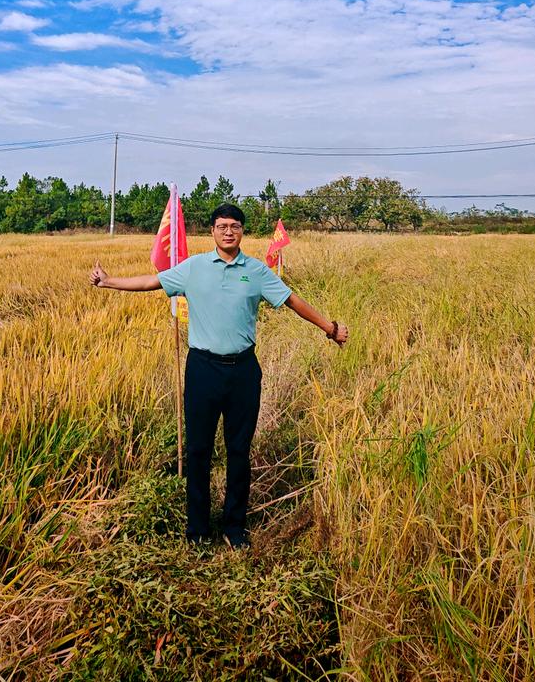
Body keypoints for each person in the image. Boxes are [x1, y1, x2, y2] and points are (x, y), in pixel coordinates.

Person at [89, 202, 348, 548]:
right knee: (198, 449)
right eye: (222, 226)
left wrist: (329, 328)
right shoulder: (193, 268)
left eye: (235, 226)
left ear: (242, 231)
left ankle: (234, 528)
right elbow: (152, 281)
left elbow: (292, 301)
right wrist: (108, 281)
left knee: (239, 450)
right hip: (202, 370)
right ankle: (197, 530)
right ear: (212, 231)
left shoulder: (256, 271)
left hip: (243, 371)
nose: (229, 232)